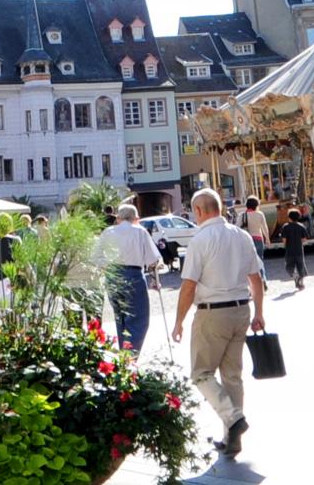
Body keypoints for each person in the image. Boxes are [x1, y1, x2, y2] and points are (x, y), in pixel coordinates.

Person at [172, 188, 266, 458]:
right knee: (232, 376)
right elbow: (256, 279)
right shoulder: (241, 235)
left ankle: (233, 419)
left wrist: (179, 321)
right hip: (241, 310)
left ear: (198, 211)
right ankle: (231, 439)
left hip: (212, 313)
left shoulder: (200, 240)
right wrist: (259, 312)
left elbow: (188, 286)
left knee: (202, 374)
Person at [99, 204, 162, 351]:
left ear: (118, 218)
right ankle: (129, 356)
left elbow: (97, 258)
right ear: (136, 218)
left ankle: (124, 354)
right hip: (134, 275)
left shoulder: (108, 232)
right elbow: (153, 261)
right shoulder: (140, 231)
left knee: (120, 318)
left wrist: (108, 271)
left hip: (113, 276)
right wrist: (155, 281)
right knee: (138, 320)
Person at [275, 206, 308, 290]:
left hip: (289, 251)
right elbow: (304, 239)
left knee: (289, 267)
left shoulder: (285, 227)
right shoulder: (301, 226)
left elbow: (284, 240)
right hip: (299, 250)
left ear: (289, 217)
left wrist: (285, 245)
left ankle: (295, 276)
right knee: (301, 266)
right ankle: (301, 283)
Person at [240, 196, 269, 265]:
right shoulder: (260, 214)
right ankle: (261, 272)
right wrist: (267, 239)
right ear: (256, 205)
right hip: (258, 240)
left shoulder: (242, 215)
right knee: (259, 262)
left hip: (247, 240)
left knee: (249, 263)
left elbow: (237, 228)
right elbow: (264, 228)